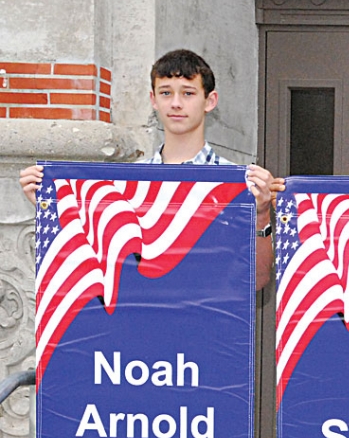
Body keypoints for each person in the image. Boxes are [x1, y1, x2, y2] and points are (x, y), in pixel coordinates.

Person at [20, 49, 280, 291]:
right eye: (166, 93)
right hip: (137, 328)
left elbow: (256, 280)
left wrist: (261, 214)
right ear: (153, 99)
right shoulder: (124, 186)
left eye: (188, 93)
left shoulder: (237, 183)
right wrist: (50, 208)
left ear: (210, 101)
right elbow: (88, 263)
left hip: (206, 332)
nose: (176, 103)